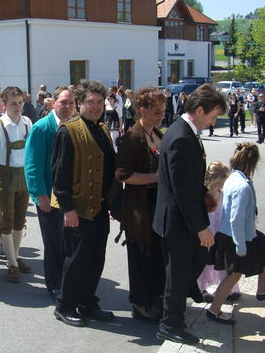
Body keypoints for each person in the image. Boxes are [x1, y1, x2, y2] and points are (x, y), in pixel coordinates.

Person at [154, 83, 226, 345]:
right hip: (178, 221)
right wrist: (200, 228)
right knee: (179, 274)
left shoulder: (185, 132)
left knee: (189, 267)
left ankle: (174, 313)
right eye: (212, 116)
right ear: (198, 110)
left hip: (183, 218)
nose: (213, 122)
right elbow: (181, 190)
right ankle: (170, 324)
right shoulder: (182, 137)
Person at [51, 79, 118, 327]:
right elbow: (59, 173)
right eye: (91, 102)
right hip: (77, 209)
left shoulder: (101, 129)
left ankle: (87, 301)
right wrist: (68, 208)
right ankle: (65, 305)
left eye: (100, 102)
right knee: (77, 260)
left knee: (96, 258)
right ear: (80, 103)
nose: (96, 106)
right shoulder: (67, 131)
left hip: (99, 208)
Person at [206, 143, 265, 324]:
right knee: (234, 274)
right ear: (252, 163)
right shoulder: (242, 186)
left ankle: (263, 290)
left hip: (239, 234)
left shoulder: (234, 178)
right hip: (236, 237)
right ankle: (214, 310)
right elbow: (236, 219)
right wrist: (240, 246)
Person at [115, 86, 166, 323]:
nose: (161, 116)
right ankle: (140, 304)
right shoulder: (132, 137)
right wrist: (158, 177)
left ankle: (155, 299)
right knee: (140, 258)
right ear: (142, 110)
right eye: (156, 112)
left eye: (163, 111)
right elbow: (123, 174)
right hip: (140, 207)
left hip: (157, 204)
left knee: (156, 256)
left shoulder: (158, 133)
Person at [24, 86, 76, 299]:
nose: (67, 107)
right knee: (53, 242)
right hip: (48, 195)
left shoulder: (74, 126)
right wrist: (40, 195)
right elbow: (32, 165)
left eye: (71, 103)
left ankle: (68, 280)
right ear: (53, 103)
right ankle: (54, 284)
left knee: (69, 241)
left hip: (69, 195)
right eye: (63, 102)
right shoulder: (41, 128)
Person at [0, 86, 34, 282]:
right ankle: (12, 263)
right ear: (4, 104)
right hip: (4, 176)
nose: (18, 106)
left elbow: (31, 153)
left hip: (24, 175)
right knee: (7, 219)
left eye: (20, 102)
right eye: (13, 103)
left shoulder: (28, 122)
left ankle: (16, 255)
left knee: (20, 219)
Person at [197, 161, 241, 302]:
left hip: (220, 233)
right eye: (220, 182)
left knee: (222, 261)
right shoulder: (205, 196)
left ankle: (227, 289)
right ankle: (200, 289)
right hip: (208, 233)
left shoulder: (223, 194)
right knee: (204, 263)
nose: (222, 186)